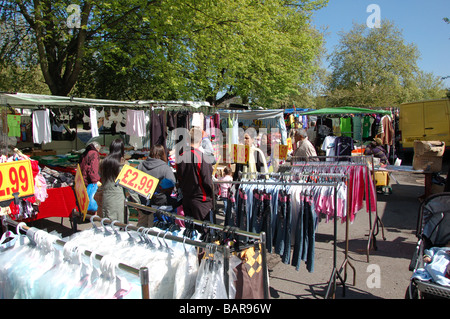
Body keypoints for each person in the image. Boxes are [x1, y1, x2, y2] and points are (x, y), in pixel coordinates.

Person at [176, 127, 214, 221]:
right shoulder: (202, 157)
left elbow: (179, 178)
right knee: (203, 232)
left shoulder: (181, 157)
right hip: (201, 200)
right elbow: (208, 181)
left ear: (188, 139)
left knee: (190, 231)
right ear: (201, 140)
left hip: (187, 198)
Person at [135, 144, 177, 228]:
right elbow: (173, 185)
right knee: (153, 232)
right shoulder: (165, 168)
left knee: (140, 228)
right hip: (158, 205)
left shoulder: (141, 165)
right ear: (163, 154)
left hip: (142, 202)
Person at [99, 139, 132, 223]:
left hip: (106, 197)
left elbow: (102, 179)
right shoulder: (124, 164)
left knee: (107, 224)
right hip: (118, 199)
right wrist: (137, 202)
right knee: (119, 225)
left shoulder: (103, 163)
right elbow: (130, 186)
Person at [79, 141, 101, 213]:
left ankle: (86, 214)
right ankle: (93, 215)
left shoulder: (86, 153)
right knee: (92, 198)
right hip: (90, 180)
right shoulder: (94, 154)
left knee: (87, 198)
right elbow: (93, 168)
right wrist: (95, 180)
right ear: (97, 148)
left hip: (84, 178)